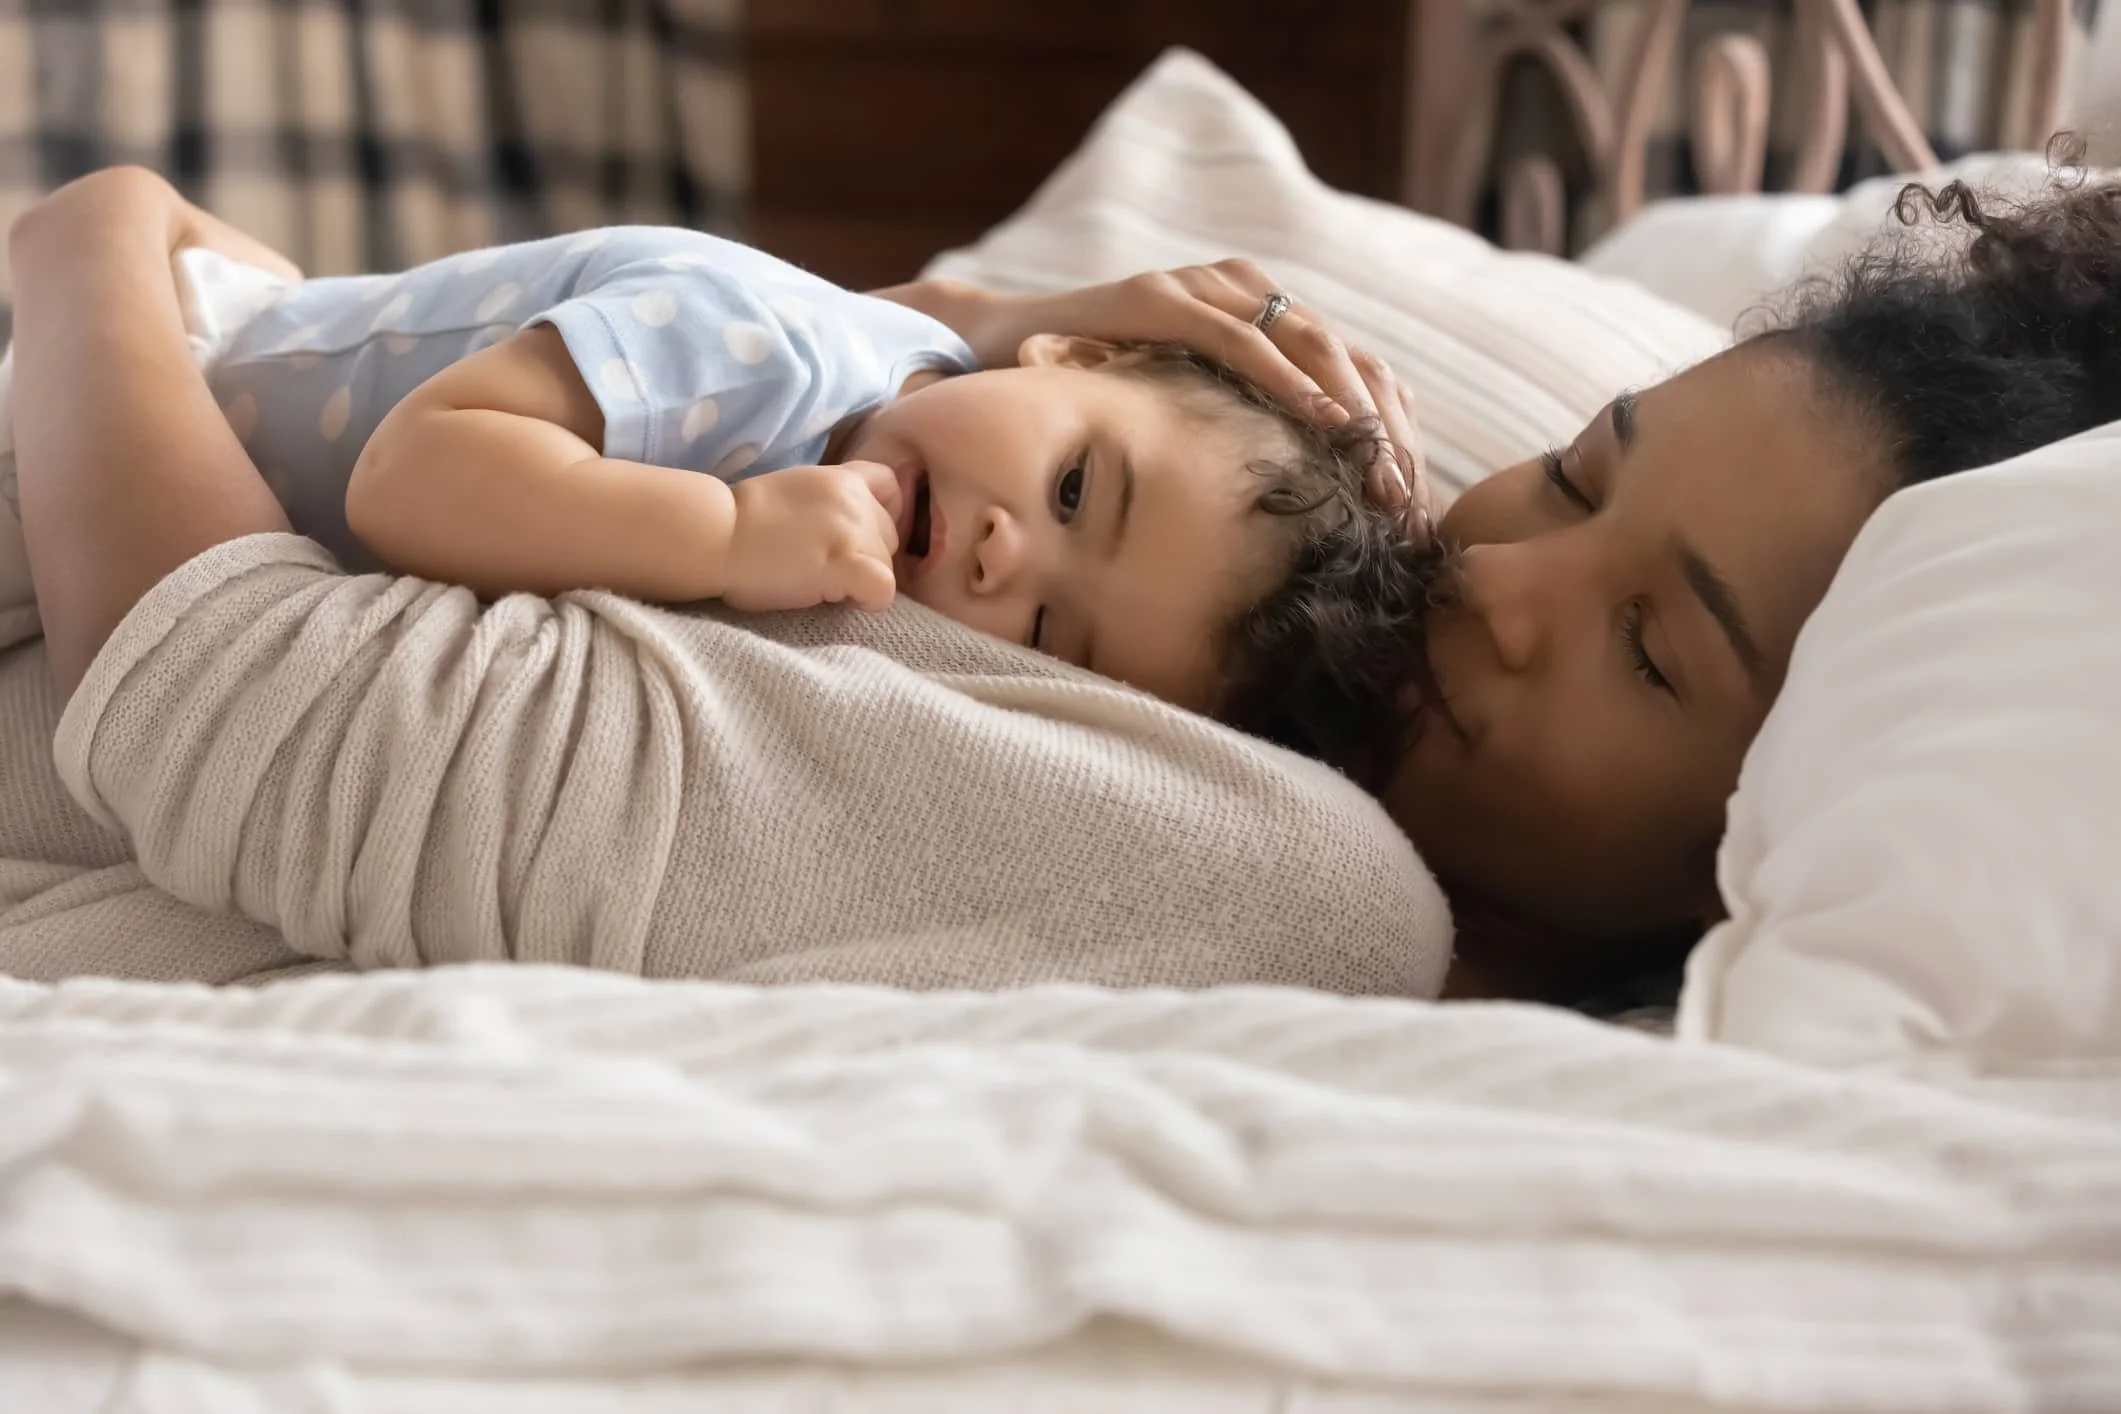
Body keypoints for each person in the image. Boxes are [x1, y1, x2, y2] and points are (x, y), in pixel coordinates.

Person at [14, 164, 2115, 1002]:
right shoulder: (1272, 669)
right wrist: (967, 331)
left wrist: (91, 248)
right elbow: (813, 465)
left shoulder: (1307, 881)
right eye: (1567, 469)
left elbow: (271, 704)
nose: (1498, 583)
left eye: (1653, 647)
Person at [0, 222, 1435, 732]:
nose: (1003, 559)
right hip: (118, 404)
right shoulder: (784, 363)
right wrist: (725, 531)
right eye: (1073, 493)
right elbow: (411, 475)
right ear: (1080, 355)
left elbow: (961, 317)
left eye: (1058, 632)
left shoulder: (923, 379)